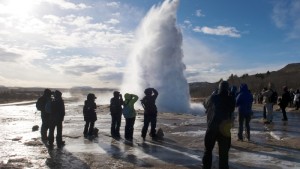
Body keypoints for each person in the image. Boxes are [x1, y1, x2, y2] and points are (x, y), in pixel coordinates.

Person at [202, 81, 235, 169]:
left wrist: (213, 95)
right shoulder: (231, 99)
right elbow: (232, 108)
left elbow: (204, 103)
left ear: (219, 88)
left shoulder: (213, 98)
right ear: (227, 89)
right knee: (224, 155)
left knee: (208, 151)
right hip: (224, 129)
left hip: (212, 127)